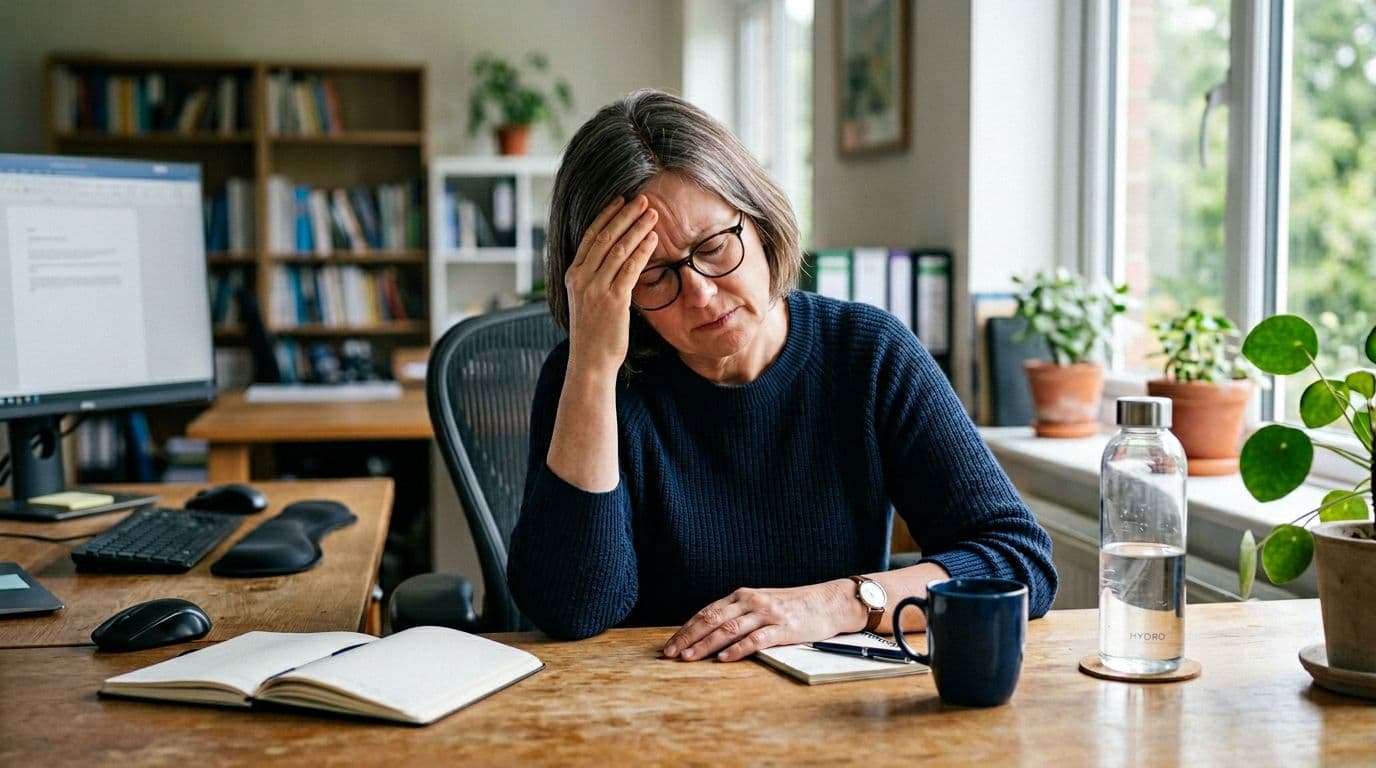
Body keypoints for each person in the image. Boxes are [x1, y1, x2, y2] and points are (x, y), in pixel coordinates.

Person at [507, 90, 1057, 662]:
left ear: (760, 220)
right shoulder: (590, 380)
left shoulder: (869, 354)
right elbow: (573, 611)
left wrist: (837, 603)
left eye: (715, 246)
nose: (700, 292)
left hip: (831, 713)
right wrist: (593, 366)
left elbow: (1020, 561)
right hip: (657, 713)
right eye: (653, 276)